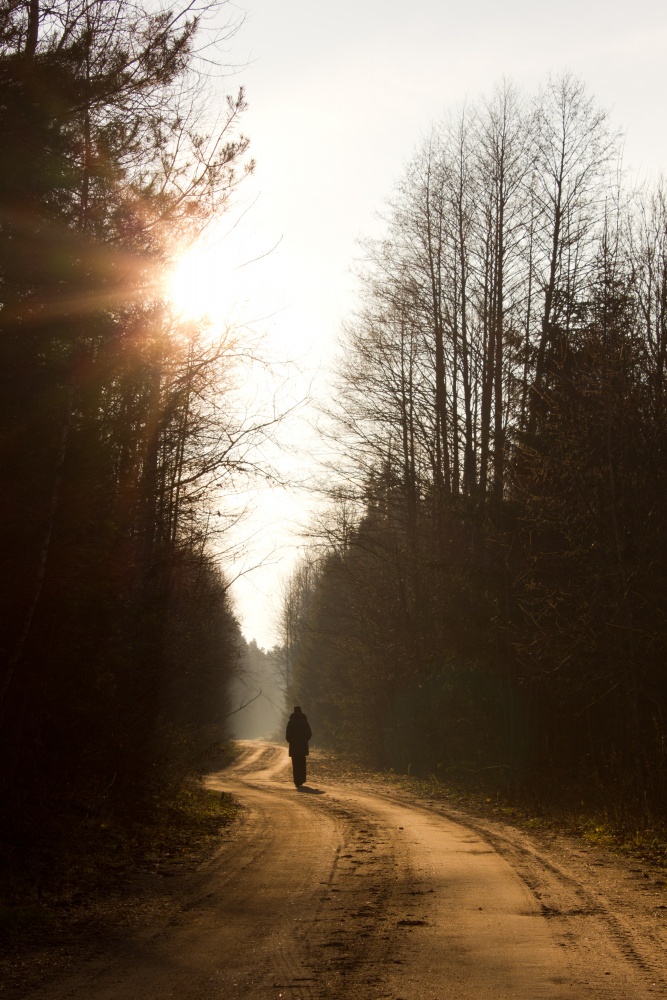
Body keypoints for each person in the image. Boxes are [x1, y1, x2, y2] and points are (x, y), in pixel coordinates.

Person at [285, 705, 312, 787]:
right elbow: (309, 733)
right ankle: (302, 779)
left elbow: (287, 735)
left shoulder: (291, 722)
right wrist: (305, 740)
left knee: (295, 763)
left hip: (294, 745)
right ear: (301, 711)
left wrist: (291, 741)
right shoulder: (304, 721)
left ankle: (297, 780)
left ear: (294, 711)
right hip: (303, 745)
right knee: (302, 763)